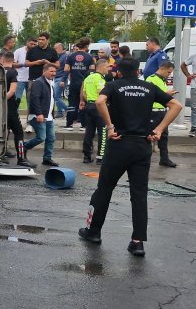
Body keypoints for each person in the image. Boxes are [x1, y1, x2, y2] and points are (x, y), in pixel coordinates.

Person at [78, 58, 182, 257]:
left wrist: (109, 126)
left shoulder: (113, 86)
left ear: (118, 72)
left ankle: (93, 232)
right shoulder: (149, 87)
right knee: (139, 194)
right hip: (142, 145)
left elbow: (99, 101)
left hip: (119, 143)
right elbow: (176, 105)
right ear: (138, 71)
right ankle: (137, 242)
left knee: (104, 189)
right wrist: (159, 130)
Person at [0, 52, 34, 168]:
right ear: (13, 60)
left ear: (3, 59)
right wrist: (3, 100)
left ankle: (0, 155)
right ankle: (21, 158)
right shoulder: (12, 72)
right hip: (10, 108)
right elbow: (12, 90)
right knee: (18, 133)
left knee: (2, 133)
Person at [25, 64, 59, 166]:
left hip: (48, 117)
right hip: (38, 116)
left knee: (51, 138)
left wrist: (52, 115)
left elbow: (51, 100)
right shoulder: (39, 82)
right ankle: (23, 148)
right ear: (44, 71)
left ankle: (47, 158)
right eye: (51, 71)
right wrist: (39, 113)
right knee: (41, 137)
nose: (53, 73)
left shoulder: (50, 82)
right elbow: (34, 98)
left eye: (54, 71)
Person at [146, 62, 178, 168]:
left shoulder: (161, 80)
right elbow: (150, 95)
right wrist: (167, 94)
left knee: (164, 137)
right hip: (153, 111)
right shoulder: (151, 79)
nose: (169, 75)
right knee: (149, 136)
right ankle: (145, 159)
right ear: (162, 69)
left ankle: (164, 159)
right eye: (168, 72)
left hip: (162, 111)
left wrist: (167, 94)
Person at [80, 59, 110, 164]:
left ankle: (86, 156)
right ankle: (100, 157)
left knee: (89, 132)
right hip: (98, 107)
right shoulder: (100, 79)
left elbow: (83, 92)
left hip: (89, 105)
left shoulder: (88, 77)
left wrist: (88, 100)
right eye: (107, 66)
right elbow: (101, 92)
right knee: (103, 132)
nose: (109, 69)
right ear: (101, 67)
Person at [64, 38, 94, 130]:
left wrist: (73, 71)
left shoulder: (70, 56)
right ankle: (84, 125)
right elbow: (92, 71)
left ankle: (69, 124)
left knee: (72, 103)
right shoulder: (90, 57)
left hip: (74, 82)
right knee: (84, 102)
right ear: (87, 46)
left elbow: (66, 69)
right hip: (85, 83)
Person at [13, 38, 35, 105]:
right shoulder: (19, 51)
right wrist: (23, 64)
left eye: (34, 44)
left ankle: (30, 115)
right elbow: (13, 64)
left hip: (31, 79)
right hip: (20, 79)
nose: (33, 45)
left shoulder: (36, 52)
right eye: (31, 44)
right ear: (27, 42)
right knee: (17, 99)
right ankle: (15, 114)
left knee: (31, 100)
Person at [53, 42, 68, 119]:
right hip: (56, 77)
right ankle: (59, 112)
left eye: (55, 48)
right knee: (57, 96)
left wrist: (63, 79)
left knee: (55, 96)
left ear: (60, 48)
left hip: (61, 78)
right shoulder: (59, 56)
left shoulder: (65, 57)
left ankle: (68, 110)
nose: (54, 49)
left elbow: (66, 69)